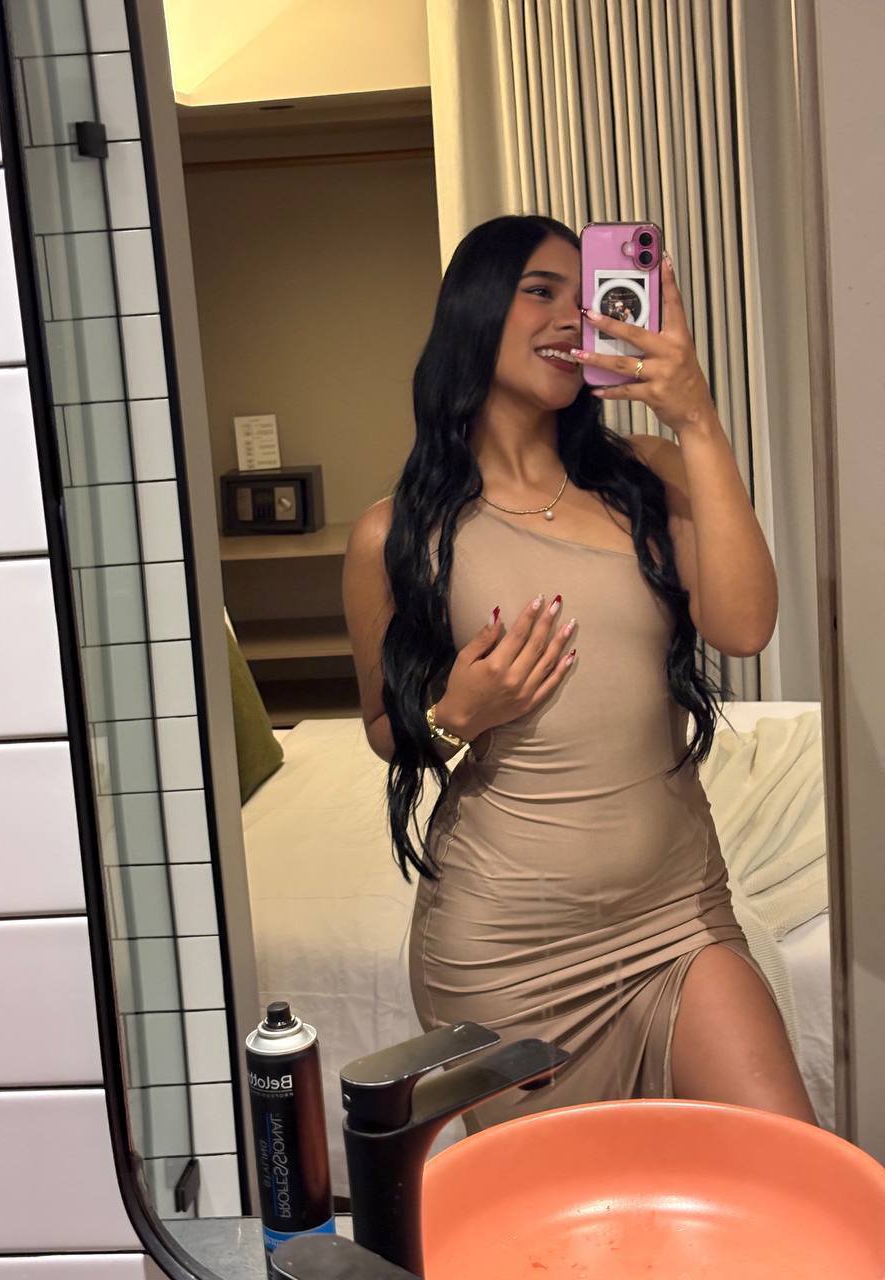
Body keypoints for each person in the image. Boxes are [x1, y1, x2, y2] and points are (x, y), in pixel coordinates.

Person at [342, 214, 816, 1132]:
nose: (573, 316)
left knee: (786, 1159)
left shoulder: (647, 475)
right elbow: (385, 730)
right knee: (566, 1211)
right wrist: (457, 712)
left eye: (585, 294)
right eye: (540, 291)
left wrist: (696, 416)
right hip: (505, 946)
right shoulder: (395, 534)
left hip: (676, 915)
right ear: (477, 310)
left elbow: (745, 625)